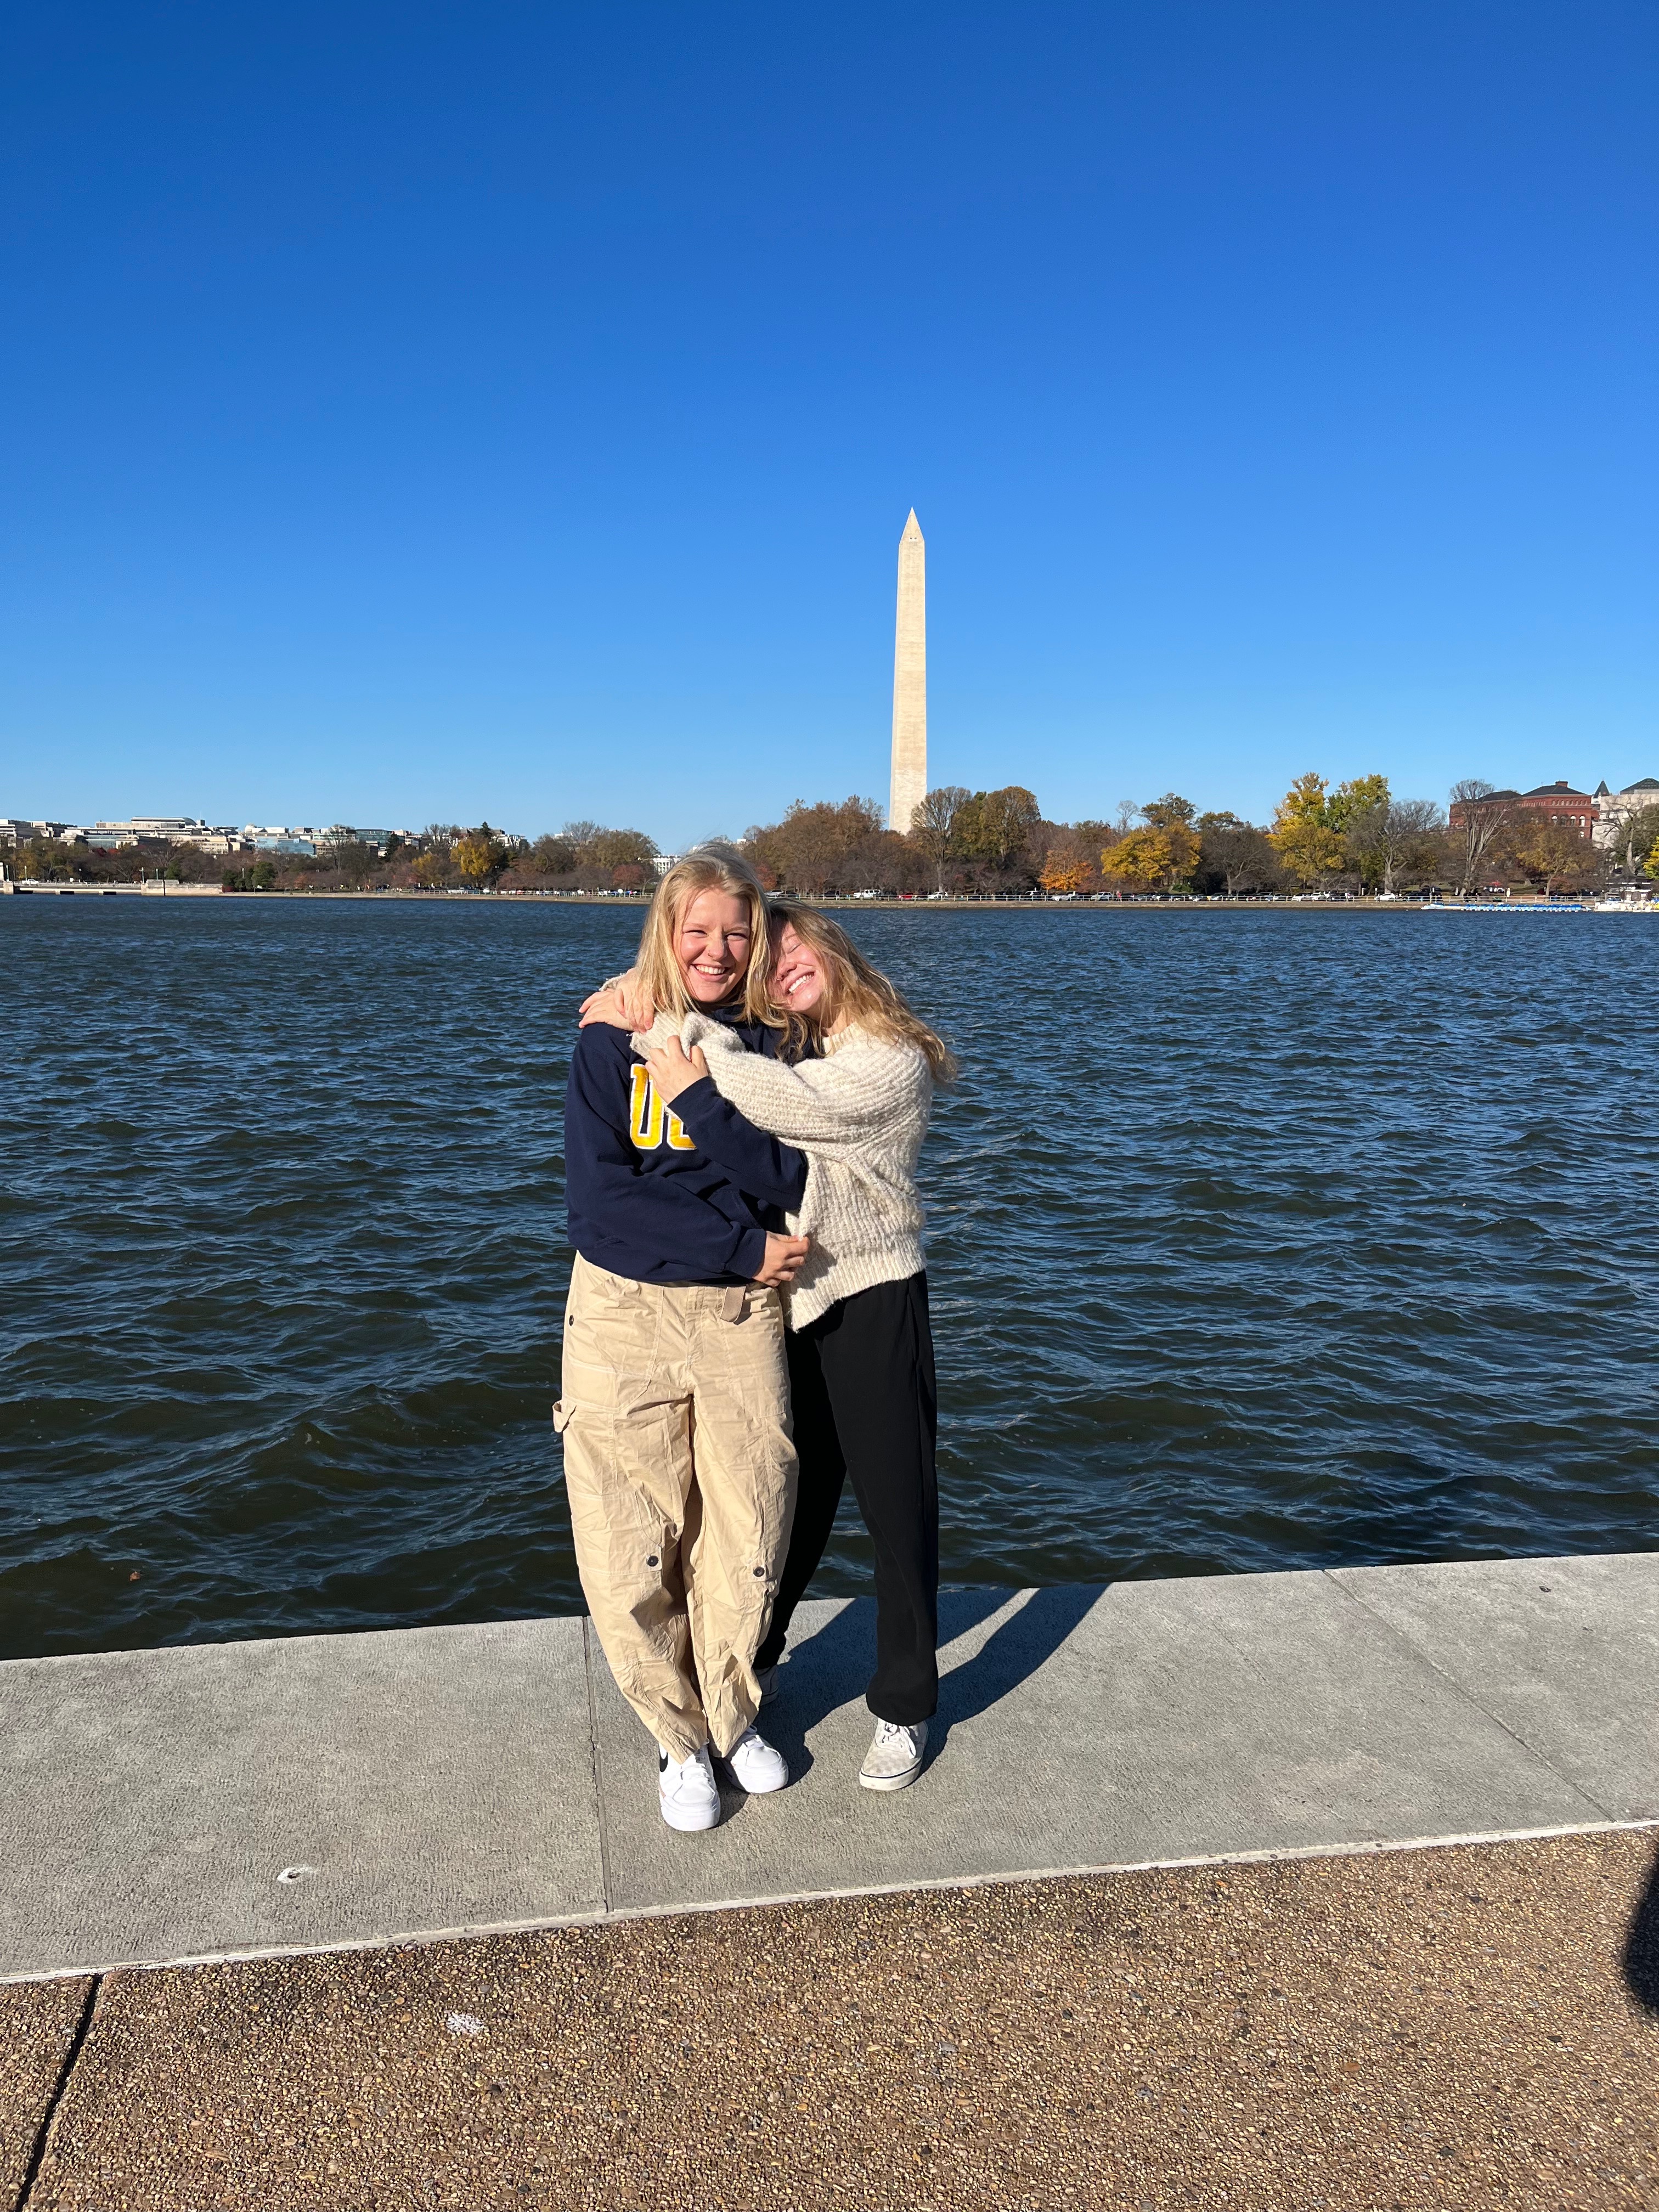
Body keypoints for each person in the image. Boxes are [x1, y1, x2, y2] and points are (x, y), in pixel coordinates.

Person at [580, 899, 955, 1792]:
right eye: (771, 958)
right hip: (788, 1299)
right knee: (792, 1498)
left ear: (835, 948)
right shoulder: (792, 1041)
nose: (784, 966)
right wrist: (642, 987)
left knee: (897, 1507)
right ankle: (754, 1662)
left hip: (871, 1297)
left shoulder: (886, 1059)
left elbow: (771, 1137)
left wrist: (654, 1024)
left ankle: (905, 1702)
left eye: (796, 947)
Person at [560, 853, 811, 1833]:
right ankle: (677, 1737)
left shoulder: (777, 1042)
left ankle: (734, 1711)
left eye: (737, 933)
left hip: (742, 1314)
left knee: (750, 1519)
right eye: (696, 931)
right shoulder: (611, 1041)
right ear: (665, 933)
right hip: (624, 1310)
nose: (716, 950)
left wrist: (747, 1253)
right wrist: (740, 1245)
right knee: (630, 1531)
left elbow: (795, 1168)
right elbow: (601, 1205)